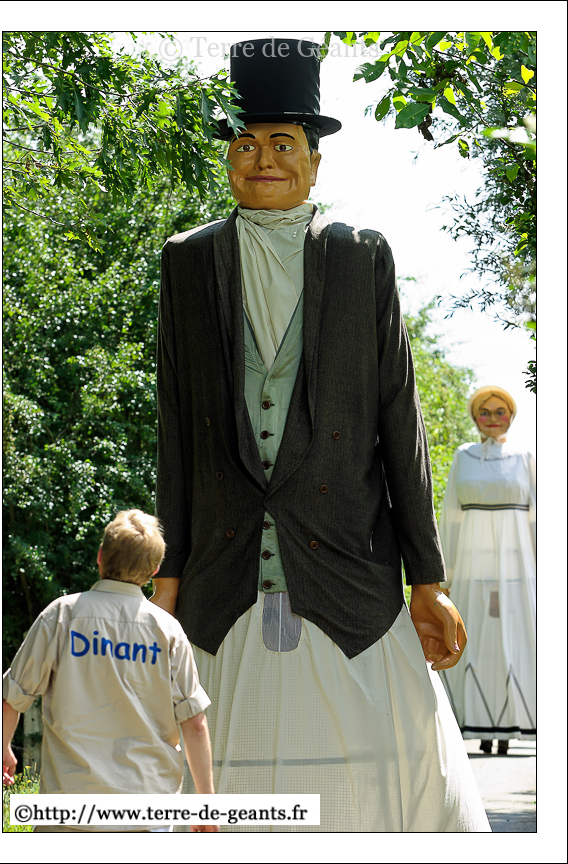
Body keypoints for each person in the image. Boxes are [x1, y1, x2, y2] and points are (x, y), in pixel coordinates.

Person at [152, 39, 490, 832]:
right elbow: (175, 427)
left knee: (376, 771)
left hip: (348, 568)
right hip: (221, 575)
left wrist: (427, 578)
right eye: (245, 144)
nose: (262, 159)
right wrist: (167, 575)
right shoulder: (186, 259)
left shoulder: (359, 254)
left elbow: (398, 419)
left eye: (282, 142)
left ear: (314, 160)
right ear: (227, 158)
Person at [3, 509, 218, 833]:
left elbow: (11, 699)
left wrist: (2, 747)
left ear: (100, 557)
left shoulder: (61, 615)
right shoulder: (168, 631)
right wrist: (205, 804)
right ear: (154, 570)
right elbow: (195, 725)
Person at [439, 386, 536, 755]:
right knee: (475, 642)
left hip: (519, 572)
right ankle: (476, 725)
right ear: (474, 416)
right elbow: (450, 517)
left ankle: (512, 727)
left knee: (515, 641)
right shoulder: (463, 456)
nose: (493, 419)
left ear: (511, 415)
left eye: (500, 411)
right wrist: (443, 579)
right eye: (485, 412)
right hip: (470, 571)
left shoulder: (525, 456)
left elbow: (537, 518)